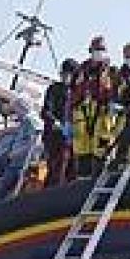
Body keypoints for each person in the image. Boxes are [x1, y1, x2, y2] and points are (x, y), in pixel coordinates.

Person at [70, 36, 118, 179]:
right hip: (82, 116)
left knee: (101, 149)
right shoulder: (80, 71)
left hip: (103, 115)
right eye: (97, 49)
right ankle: (82, 181)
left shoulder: (112, 72)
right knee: (82, 150)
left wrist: (114, 105)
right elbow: (71, 95)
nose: (99, 52)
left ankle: (100, 178)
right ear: (90, 50)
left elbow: (118, 93)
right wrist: (67, 119)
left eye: (102, 49)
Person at [41, 58, 78, 187]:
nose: (66, 77)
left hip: (74, 137)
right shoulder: (54, 89)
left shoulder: (77, 91)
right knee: (57, 167)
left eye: (69, 74)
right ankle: (50, 192)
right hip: (55, 136)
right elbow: (46, 111)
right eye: (64, 74)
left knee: (73, 168)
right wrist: (55, 122)